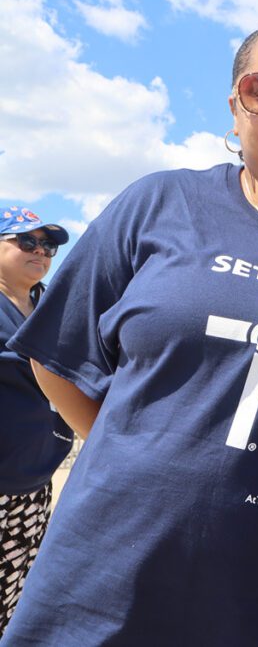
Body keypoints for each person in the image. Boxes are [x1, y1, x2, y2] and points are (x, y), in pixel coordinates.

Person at [2, 21, 258, 646]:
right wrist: (134, 455)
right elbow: (57, 357)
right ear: (235, 106)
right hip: (101, 577)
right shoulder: (157, 204)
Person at [0, 209, 73, 635]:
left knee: (17, 598)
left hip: (34, 485)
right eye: (26, 241)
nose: (41, 252)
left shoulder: (54, 306)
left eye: (48, 246)